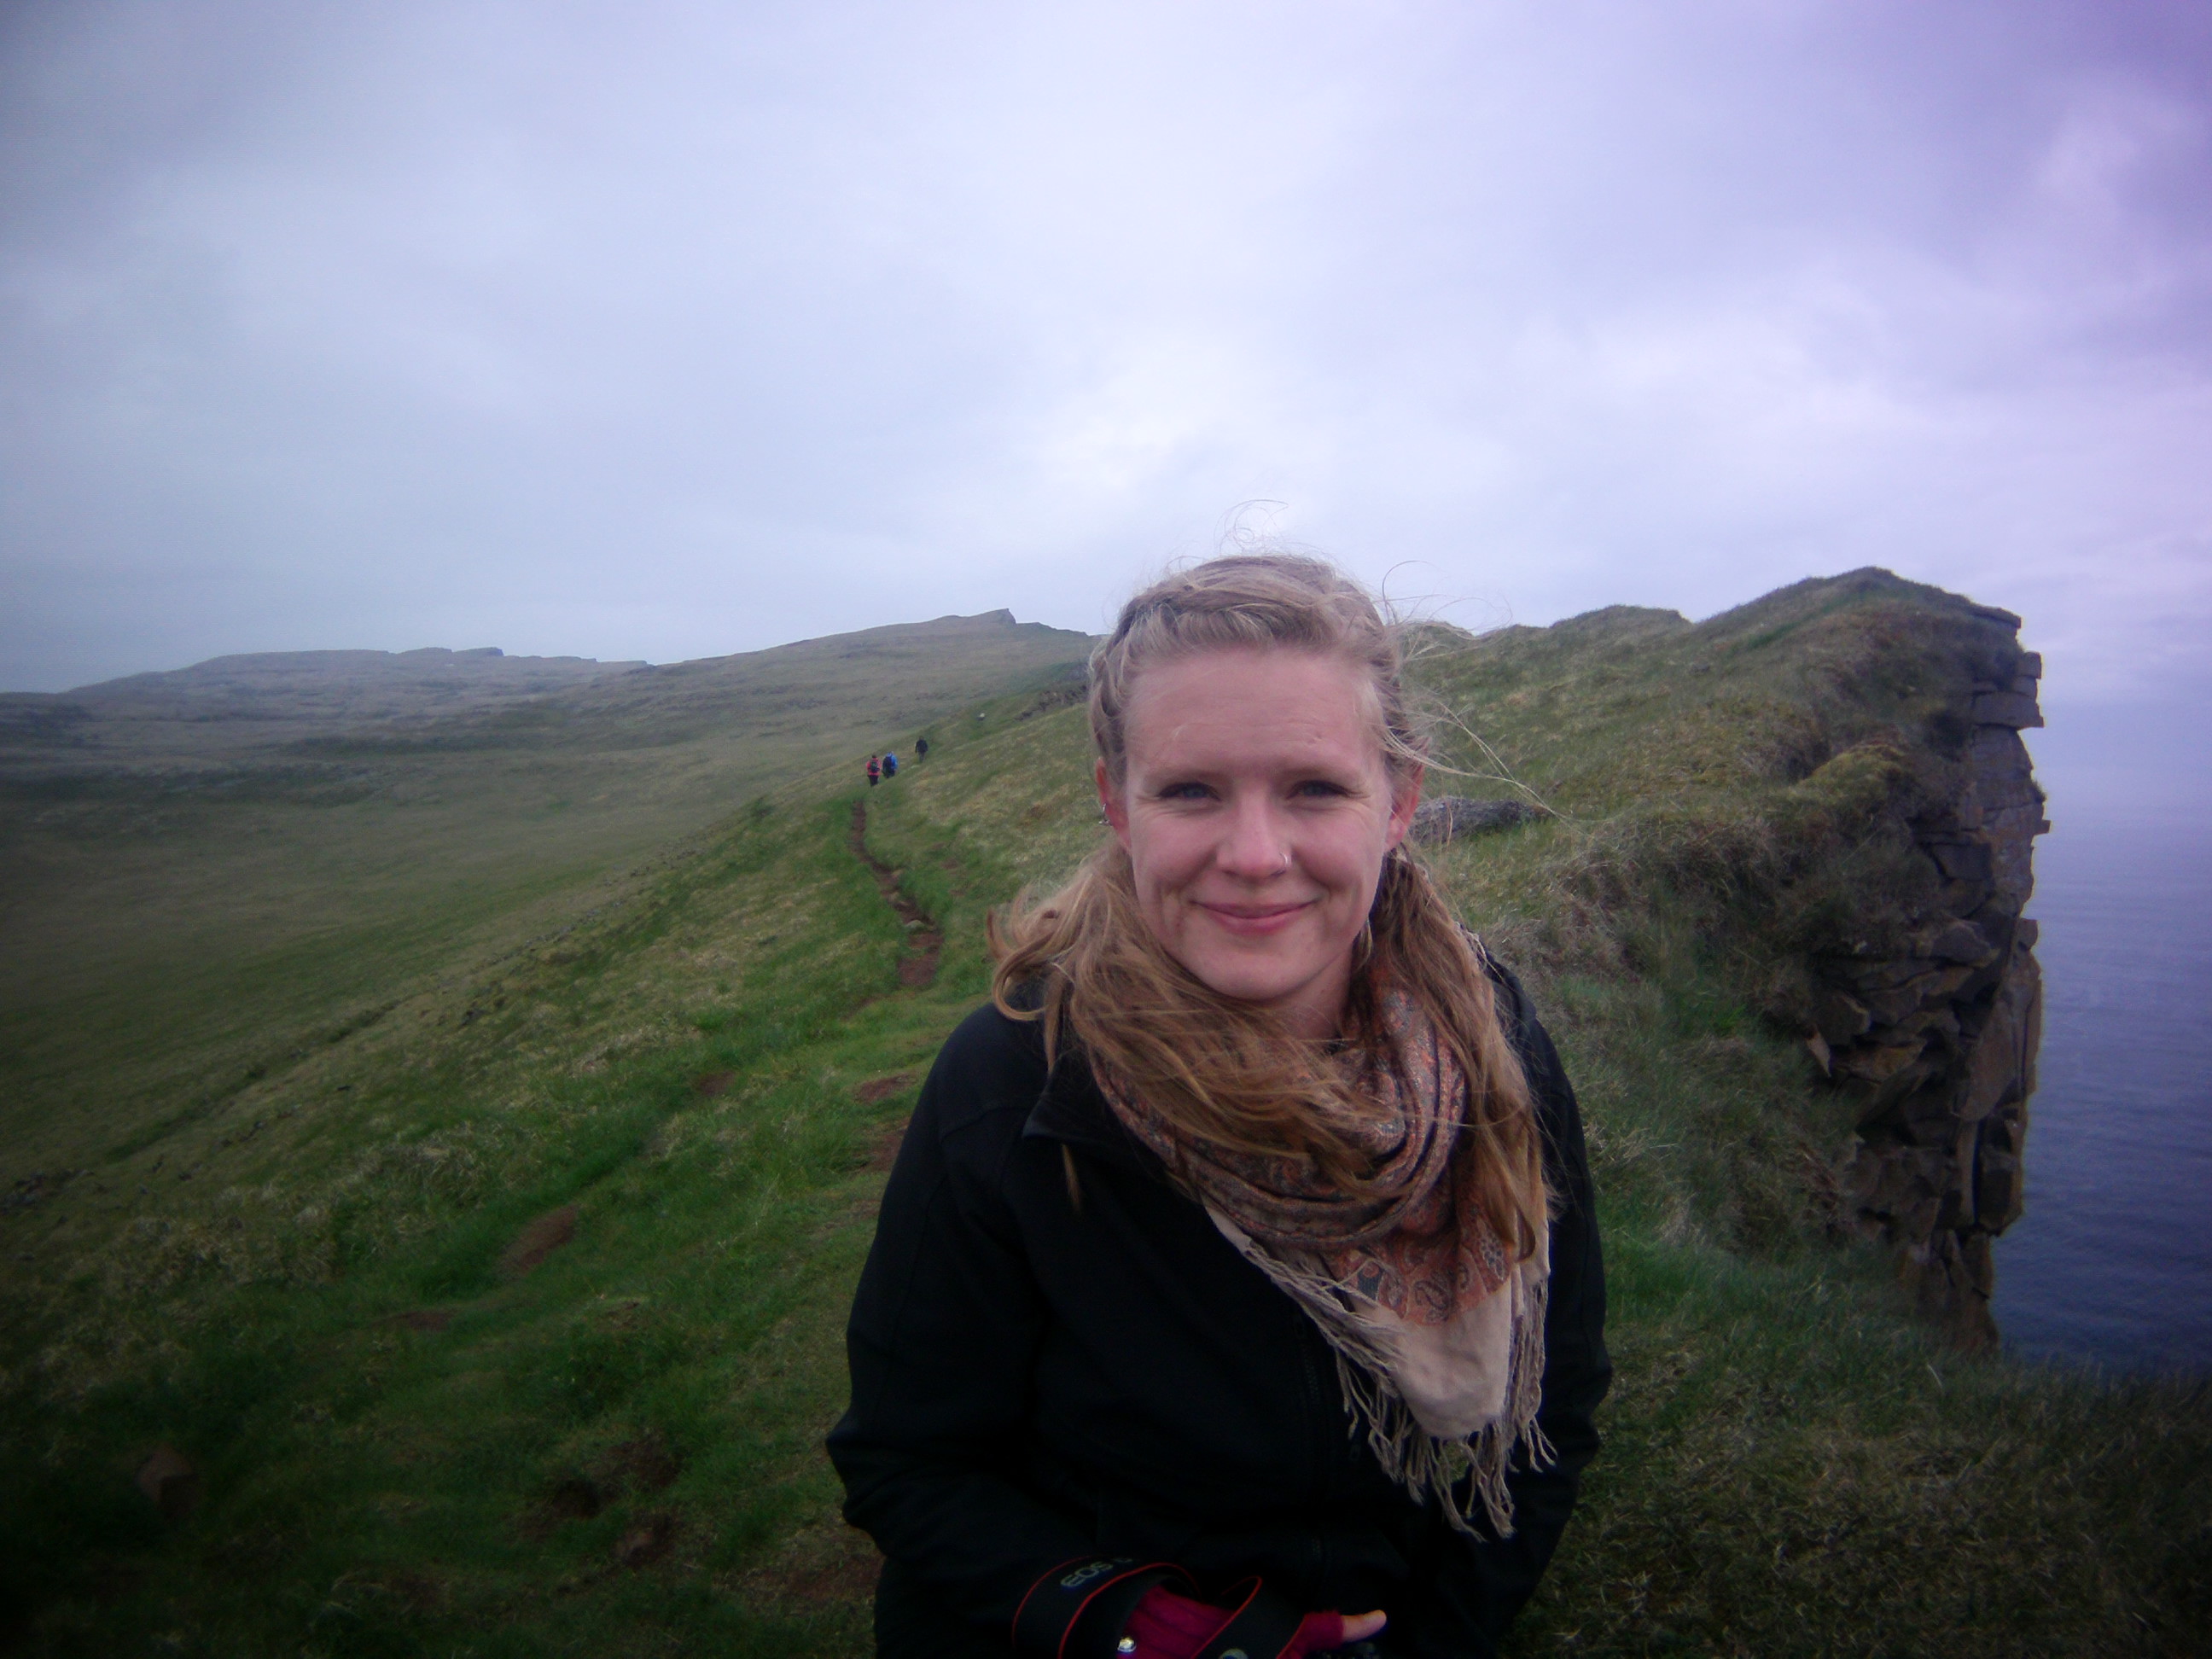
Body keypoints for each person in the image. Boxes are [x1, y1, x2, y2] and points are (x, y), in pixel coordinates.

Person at [830, 555, 1609, 1659]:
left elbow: (1555, 1400)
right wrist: (1134, 1626)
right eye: (1191, 791)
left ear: (1399, 803)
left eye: (1316, 788)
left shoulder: (1493, 1044)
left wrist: (1433, 1641)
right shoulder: (1012, 1083)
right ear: (1117, 802)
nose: (1254, 857)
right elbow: (907, 1462)